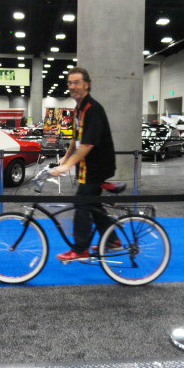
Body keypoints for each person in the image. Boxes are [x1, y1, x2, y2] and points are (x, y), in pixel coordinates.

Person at [50, 67, 117, 261]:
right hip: (88, 167)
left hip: (97, 166)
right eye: (70, 83)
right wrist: (65, 158)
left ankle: (80, 249)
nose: (72, 86)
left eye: (77, 82)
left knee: (82, 203)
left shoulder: (92, 109)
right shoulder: (78, 109)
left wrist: (66, 166)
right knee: (93, 204)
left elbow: (87, 144)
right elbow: (76, 139)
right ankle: (112, 240)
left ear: (87, 85)